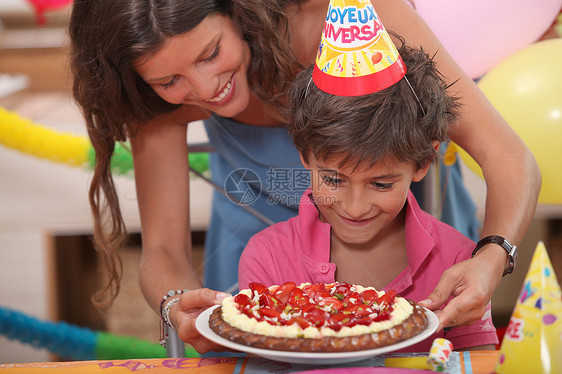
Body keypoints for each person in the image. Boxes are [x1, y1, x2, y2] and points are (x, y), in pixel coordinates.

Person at [68, 0, 540, 353]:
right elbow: (163, 252)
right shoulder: (156, 89)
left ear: (235, 10)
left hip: (408, 253)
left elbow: (510, 158)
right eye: (169, 82)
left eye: (211, 53)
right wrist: (179, 306)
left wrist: (491, 258)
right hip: (259, 268)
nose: (203, 88)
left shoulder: (347, 16)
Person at [239, 43, 498, 351]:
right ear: (304, 154)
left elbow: (475, 364)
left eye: (380, 184)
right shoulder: (267, 257)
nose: (355, 207)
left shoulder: (458, 262)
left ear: (423, 163)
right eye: (334, 180)